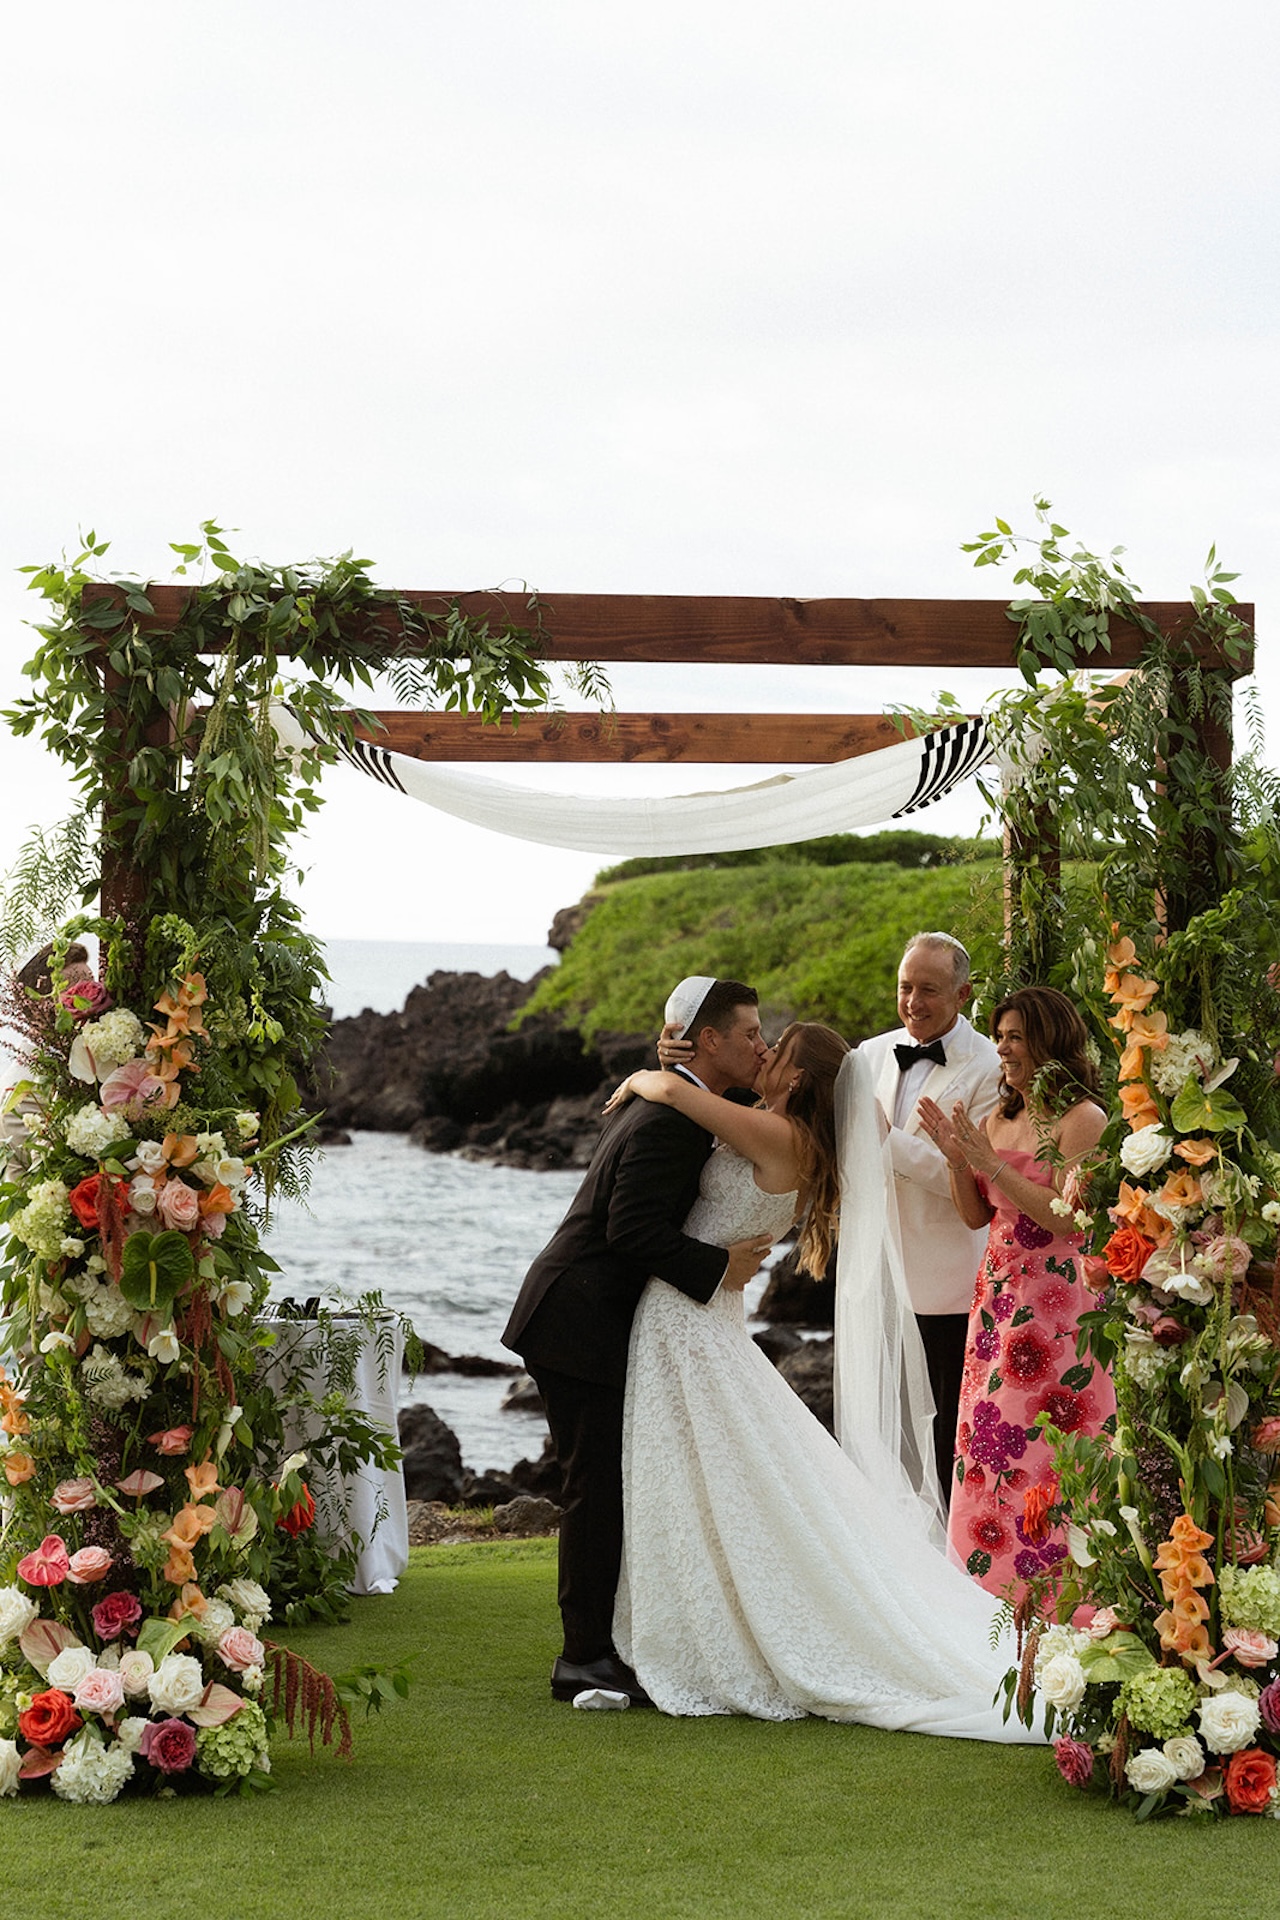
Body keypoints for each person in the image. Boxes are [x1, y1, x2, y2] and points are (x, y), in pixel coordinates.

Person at [602, 1023, 1040, 1739]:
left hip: (691, 1321)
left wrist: (650, 1077)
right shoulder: (782, 1133)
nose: (761, 1056)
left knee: (696, 1475)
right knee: (704, 1479)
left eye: (772, 1053)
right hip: (698, 1320)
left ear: (797, 1080)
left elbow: (676, 1097)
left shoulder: (777, 1138)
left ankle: (710, 1627)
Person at [502, 977, 772, 1707]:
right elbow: (631, 1231)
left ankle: (604, 1643)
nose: (760, 1042)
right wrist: (724, 1267)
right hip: (577, 1319)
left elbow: (754, 1121)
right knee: (593, 1488)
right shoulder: (666, 1119)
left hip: (581, 1314)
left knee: (602, 1484)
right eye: (749, 1032)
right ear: (708, 1040)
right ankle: (582, 1657)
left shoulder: (674, 1100)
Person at [918, 985, 1112, 1598]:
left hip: (1058, 1300)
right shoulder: (996, 1118)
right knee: (988, 1435)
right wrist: (957, 1159)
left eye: (1015, 1036)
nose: (1001, 1048)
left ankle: (1061, 1591)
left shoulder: (1084, 1119)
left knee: (1053, 1442)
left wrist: (989, 1160)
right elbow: (976, 1216)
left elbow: (1069, 1216)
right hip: (999, 1294)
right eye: (998, 1036)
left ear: (1049, 1043)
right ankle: (986, 1587)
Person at [854, 934, 1001, 1505]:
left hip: (950, 1281)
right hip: (876, 1275)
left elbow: (977, 1184)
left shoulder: (989, 1066)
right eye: (905, 987)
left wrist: (885, 1141)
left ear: (963, 993)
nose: (913, 1002)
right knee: (884, 1427)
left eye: (929, 990)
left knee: (947, 1433)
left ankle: (953, 1560)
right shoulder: (868, 1055)